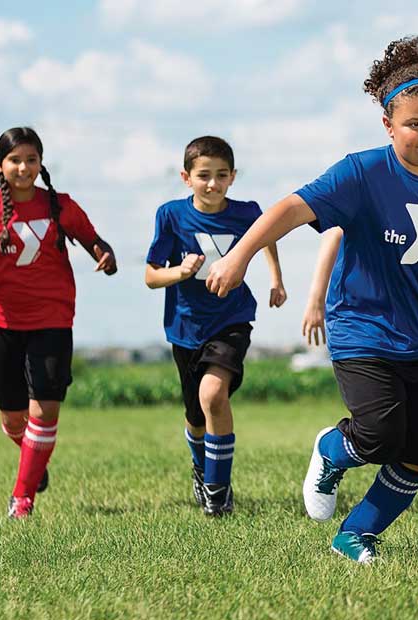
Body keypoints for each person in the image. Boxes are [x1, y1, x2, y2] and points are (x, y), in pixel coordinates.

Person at [205, 34, 418, 564]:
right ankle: (333, 449)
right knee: (377, 435)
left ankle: (356, 534)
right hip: (363, 327)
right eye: (414, 123)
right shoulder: (361, 171)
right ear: (388, 125)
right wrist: (238, 256)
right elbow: (290, 208)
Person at [300, 130, 418, 502]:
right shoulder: (380, 187)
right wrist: (315, 300)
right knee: (384, 429)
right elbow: (334, 237)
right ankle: (344, 453)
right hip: (377, 320)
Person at [0, 126, 118, 519]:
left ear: (41, 163)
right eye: (15, 160)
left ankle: (22, 498)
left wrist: (104, 256)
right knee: (12, 419)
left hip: (53, 320)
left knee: (45, 411)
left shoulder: (62, 207)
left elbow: (95, 242)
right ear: (0, 166)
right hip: (1, 323)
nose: (24, 167)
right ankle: (33, 461)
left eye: (31, 160)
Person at [145, 136, 287, 516]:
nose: (213, 183)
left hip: (232, 320)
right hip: (185, 327)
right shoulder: (170, 215)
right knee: (195, 418)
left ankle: (218, 492)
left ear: (233, 177)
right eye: (204, 175)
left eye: (221, 175)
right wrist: (180, 271)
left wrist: (275, 278)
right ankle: (202, 468)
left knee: (213, 396)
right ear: (186, 177)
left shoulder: (246, 212)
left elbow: (267, 236)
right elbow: (149, 276)